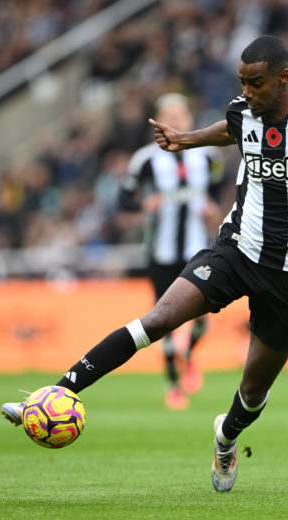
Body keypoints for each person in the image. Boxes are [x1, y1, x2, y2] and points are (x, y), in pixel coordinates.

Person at [2, 35, 288, 493]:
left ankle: (226, 438)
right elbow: (230, 128)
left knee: (253, 390)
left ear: (284, 77)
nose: (247, 92)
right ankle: (56, 393)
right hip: (236, 249)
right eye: (242, 82)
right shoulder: (244, 111)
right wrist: (186, 140)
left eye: (257, 83)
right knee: (158, 318)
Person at [119, 93, 223, 409]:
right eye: (169, 114)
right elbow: (124, 199)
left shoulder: (207, 158)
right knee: (162, 320)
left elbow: (215, 193)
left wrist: (212, 210)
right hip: (160, 252)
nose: (176, 119)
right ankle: (173, 385)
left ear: (191, 118)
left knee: (206, 314)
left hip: (198, 249)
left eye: (181, 113)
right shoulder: (145, 159)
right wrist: (142, 205)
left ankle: (189, 353)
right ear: (158, 121)